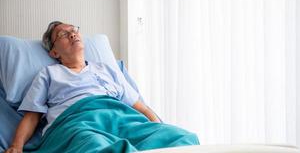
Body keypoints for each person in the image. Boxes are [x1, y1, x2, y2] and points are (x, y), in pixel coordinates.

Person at [5, 21, 199, 153]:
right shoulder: (49, 74)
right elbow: (32, 116)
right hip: (78, 124)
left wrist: (158, 127)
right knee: (94, 146)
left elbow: (142, 107)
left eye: (74, 30)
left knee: (182, 139)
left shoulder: (107, 69)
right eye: (63, 34)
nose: (72, 34)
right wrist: (16, 146)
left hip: (122, 121)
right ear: (54, 52)